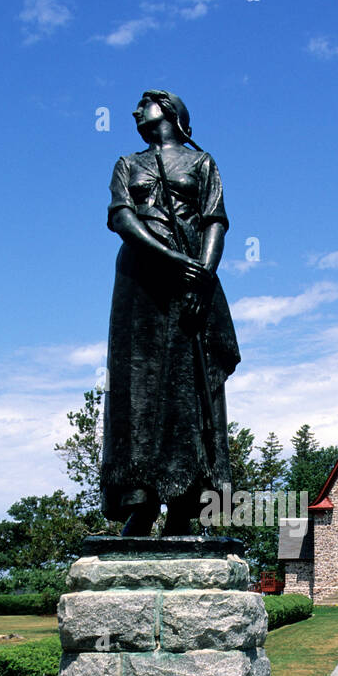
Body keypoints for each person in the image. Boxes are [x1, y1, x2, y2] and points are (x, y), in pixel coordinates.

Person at [99, 90, 240, 536]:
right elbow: (121, 218)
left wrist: (202, 273)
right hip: (140, 283)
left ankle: (185, 504)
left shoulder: (202, 165)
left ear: (172, 113)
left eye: (145, 104)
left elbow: (215, 219)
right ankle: (139, 502)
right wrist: (169, 257)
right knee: (135, 390)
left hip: (188, 283)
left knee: (189, 392)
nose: (136, 111)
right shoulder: (127, 164)